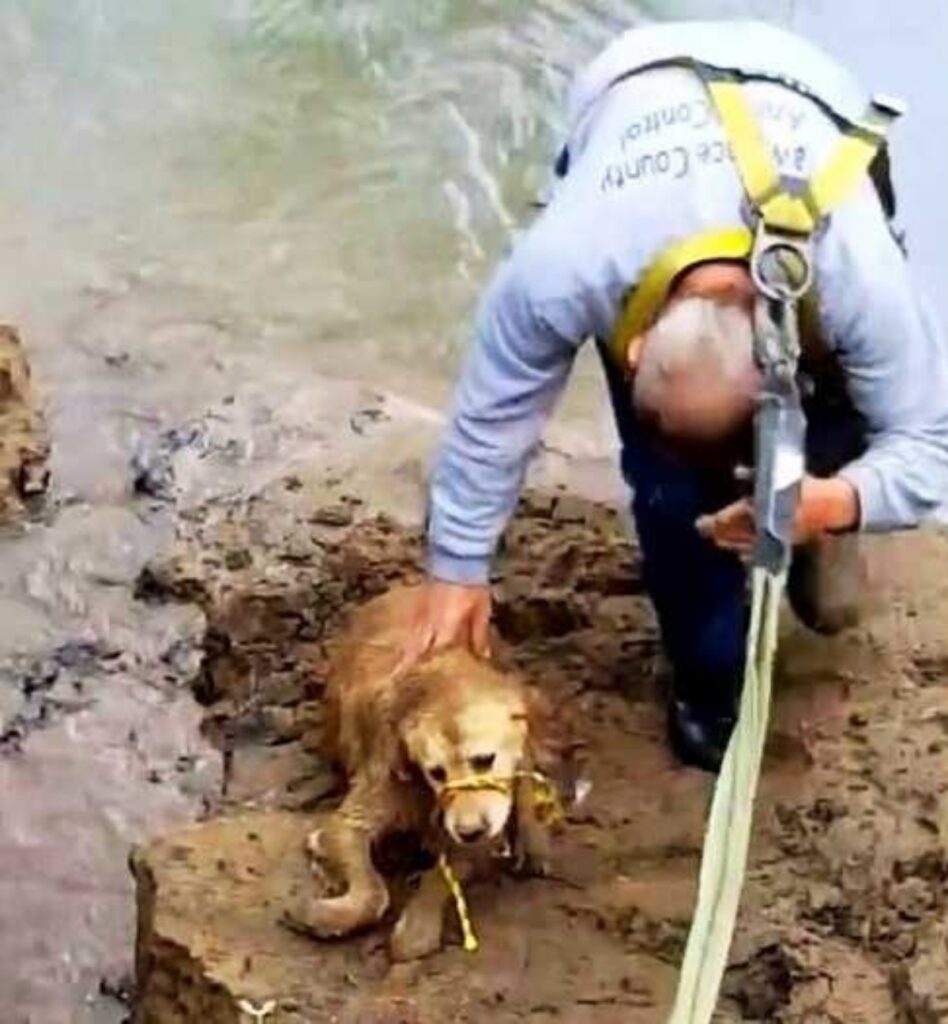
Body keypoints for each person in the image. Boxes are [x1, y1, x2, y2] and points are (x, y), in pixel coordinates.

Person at [400, 20, 948, 772]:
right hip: (636, 84)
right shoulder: (568, 265)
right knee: (672, 499)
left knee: (842, 474)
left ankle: (821, 509)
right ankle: (708, 691)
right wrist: (457, 568)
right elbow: (494, 418)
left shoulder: (857, 275)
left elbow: (931, 447)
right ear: (630, 347)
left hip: (804, 92)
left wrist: (835, 501)